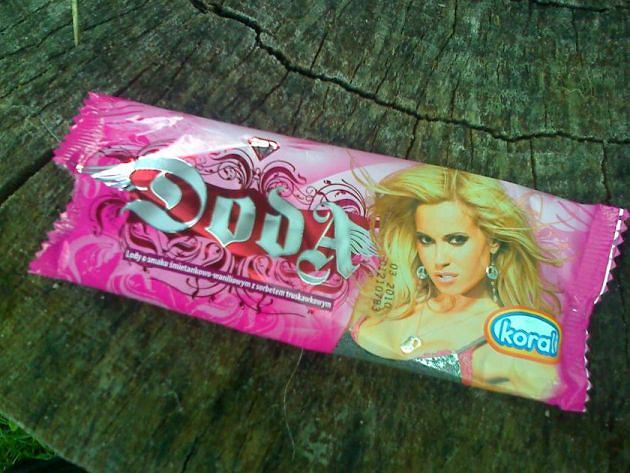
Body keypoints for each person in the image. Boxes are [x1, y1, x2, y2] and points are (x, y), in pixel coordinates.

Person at [349, 164, 561, 400]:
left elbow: (552, 388)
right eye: (426, 240)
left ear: (493, 240)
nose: (439, 259)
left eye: (457, 240)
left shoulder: (509, 348)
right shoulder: (384, 291)